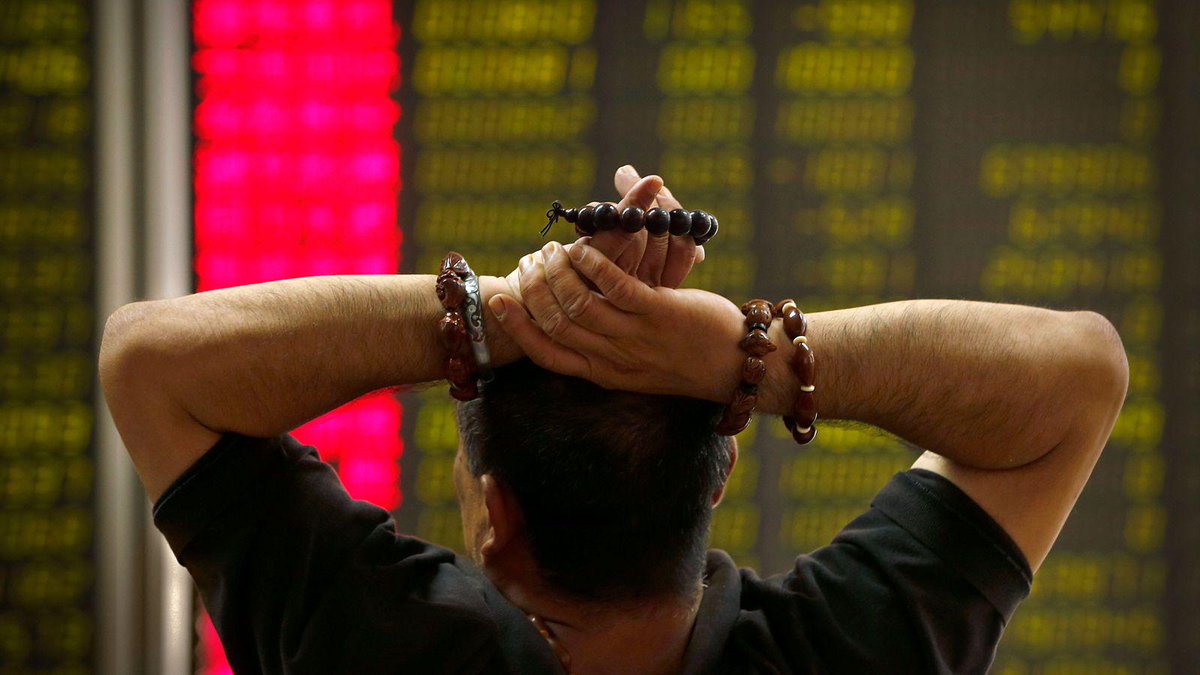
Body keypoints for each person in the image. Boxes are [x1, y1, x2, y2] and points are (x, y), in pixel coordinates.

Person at [100, 166, 1128, 674]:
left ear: (494, 512)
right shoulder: (845, 653)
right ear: (717, 480)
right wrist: (752, 355)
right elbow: (1082, 372)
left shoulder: (380, 647)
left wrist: (499, 314)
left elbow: (150, 361)